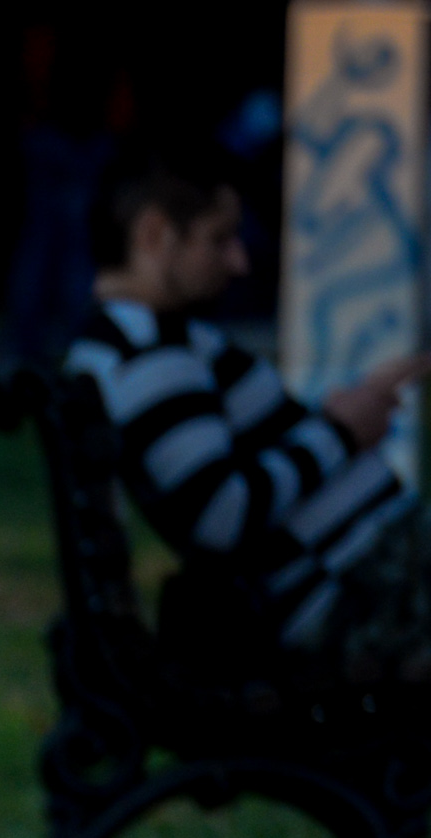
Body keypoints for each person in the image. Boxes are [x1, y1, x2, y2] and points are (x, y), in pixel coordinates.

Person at [66, 140, 428, 679]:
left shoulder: (146, 344)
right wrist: (341, 432)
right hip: (363, 591)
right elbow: (222, 514)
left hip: (380, 576)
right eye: (219, 238)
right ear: (155, 235)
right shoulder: (147, 357)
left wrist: (332, 423)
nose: (238, 261)